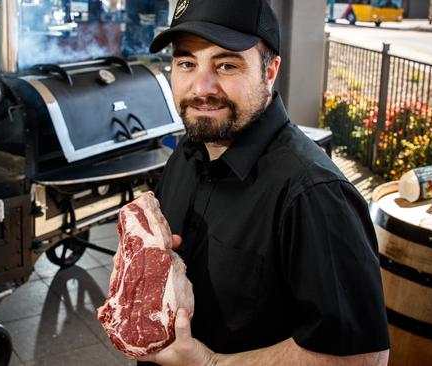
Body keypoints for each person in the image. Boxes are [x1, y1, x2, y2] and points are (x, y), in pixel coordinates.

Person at [136, 0, 391, 364]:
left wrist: (211, 364)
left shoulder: (314, 194)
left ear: (270, 71)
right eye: (186, 63)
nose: (200, 87)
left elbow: (363, 357)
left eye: (226, 64)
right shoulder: (189, 152)